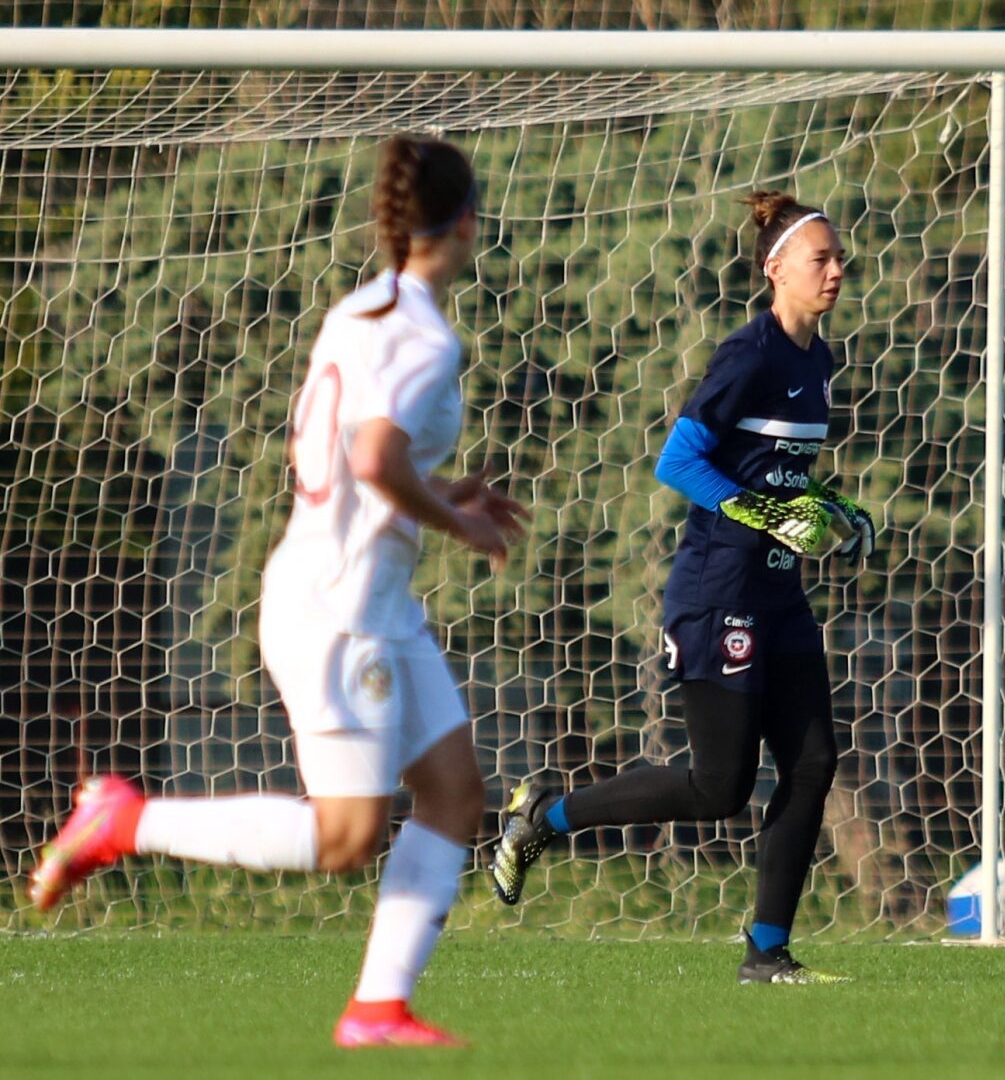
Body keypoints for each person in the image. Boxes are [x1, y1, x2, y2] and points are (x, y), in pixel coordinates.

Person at [31, 134, 525, 1047]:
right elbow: (373, 457)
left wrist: (441, 495)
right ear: (465, 223)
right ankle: (124, 819)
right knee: (345, 837)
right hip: (340, 611)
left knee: (455, 795)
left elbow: (348, 460)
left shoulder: (360, 309)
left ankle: (379, 1007)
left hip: (369, 597)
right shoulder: (423, 332)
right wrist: (459, 522)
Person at [488, 190, 873, 985]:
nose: (836, 270)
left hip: (779, 594)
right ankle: (542, 818)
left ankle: (767, 953)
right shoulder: (751, 354)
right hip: (718, 591)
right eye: (821, 259)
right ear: (776, 270)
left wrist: (830, 505)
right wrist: (764, 509)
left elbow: (776, 473)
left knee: (813, 763)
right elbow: (678, 463)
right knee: (717, 786)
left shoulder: (817, 359)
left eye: (840, 259)